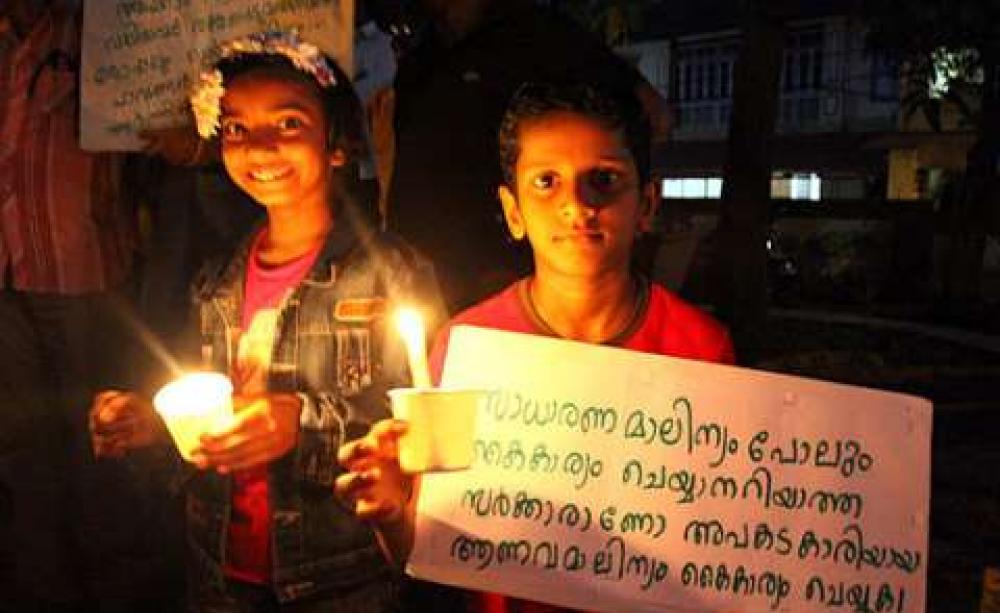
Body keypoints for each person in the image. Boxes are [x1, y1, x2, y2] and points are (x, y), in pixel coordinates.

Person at [336, 81, 734, 613]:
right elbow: (430, 551)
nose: (576, 204)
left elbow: (722, 544)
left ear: (647, 204)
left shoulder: (699, 347)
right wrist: (391, 511)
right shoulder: (471, 347)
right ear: (513, 210)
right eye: (546, 182)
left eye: (605, 180)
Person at [89, 30, 443, 611]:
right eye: (235, 128)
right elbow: (209, 416)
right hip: (221, 568)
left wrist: (300, 424)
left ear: (336, 142)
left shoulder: (391, 275)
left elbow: (426, 429)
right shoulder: (214, 283)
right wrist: (155, 424)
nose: (258, 147)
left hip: (342, 575)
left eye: (288, 125)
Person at [0, 1, 185, 608]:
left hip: (86, 278)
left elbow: (169, 129)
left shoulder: (105, 28)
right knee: (22, 460)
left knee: (100, 456)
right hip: (7, 283)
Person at [387, 0, 669, 312]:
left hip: (510, 269)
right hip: (423, 272)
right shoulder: (419, 60)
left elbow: (652, 113)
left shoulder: (540, 34)